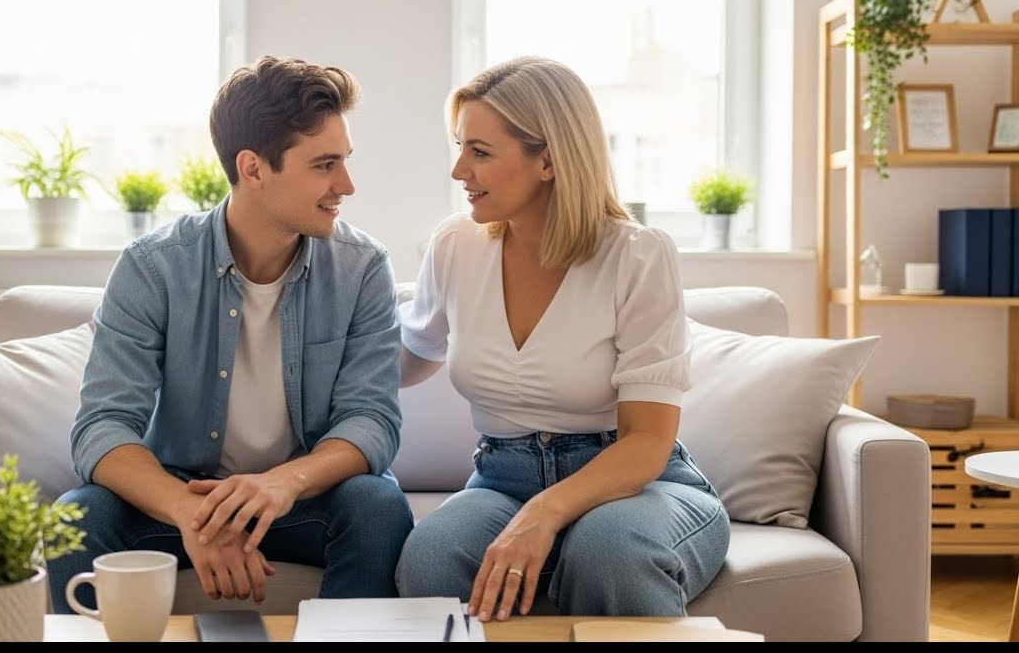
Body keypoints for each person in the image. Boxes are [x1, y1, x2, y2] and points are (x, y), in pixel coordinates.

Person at [50, 55, 413, 613]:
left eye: (344, 161)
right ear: (253, 168)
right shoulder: (153, 267)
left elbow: (372, 420)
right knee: (76, 519)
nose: (347, 185)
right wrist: (193, 513)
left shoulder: (361, 267)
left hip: (299, 503)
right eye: (324, 165)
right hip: (182, 497)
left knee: (377, 506)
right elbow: (102, 429)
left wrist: (284, 483)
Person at [394, 56, 730, 622]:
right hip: (502, 477)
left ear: (547, 160)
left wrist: (544, 513)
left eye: (479, 152)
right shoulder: (455, 245)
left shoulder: (637, 255)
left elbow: (647, 439)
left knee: (609, 550)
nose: (458, 172)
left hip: (632, 485)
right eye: (460, 148)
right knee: (430, 558)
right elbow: (409, 356)